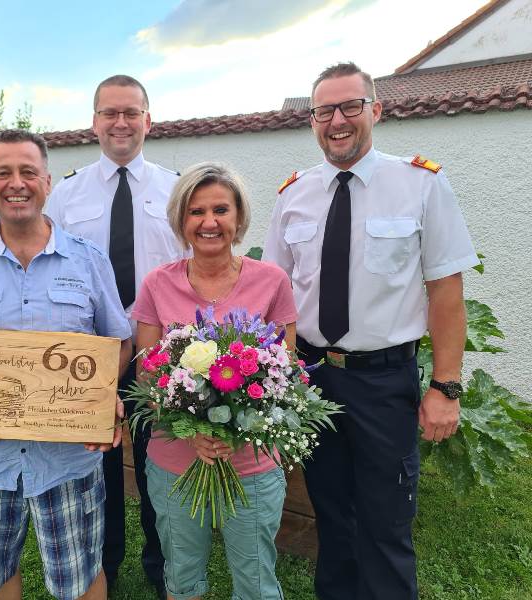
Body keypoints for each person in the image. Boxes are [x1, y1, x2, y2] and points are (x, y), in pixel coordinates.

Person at [264, 62, 479, 600]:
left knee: (386, 523)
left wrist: (446, 386)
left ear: (375, 110)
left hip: (383, 382)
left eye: (350, 107)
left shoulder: (420, 184)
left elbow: (446, 292)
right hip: (312, 379)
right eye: (324, 111)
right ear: (312, 120)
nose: (337, 120)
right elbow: (275, 296)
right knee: (331, 516)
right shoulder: (293, 194)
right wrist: (275, 382)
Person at [0, 129, 133, 600]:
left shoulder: (89, 260)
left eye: (28, 172)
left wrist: (102, 397)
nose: (17, 183)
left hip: (68, 459)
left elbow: (118, 341)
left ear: (47, 182)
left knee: (81, 575)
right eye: (3, 173)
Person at [46, 74, 188, 597]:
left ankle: (162, 564)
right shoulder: (66, 194)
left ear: (149, 120)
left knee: (161, 464)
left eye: (131, 112)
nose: (121, 122)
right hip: (89, 354)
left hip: (161, 354)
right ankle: (102, 566)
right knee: (95, 466)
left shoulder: (178, 190)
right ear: (94, 122)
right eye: (110, 113)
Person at [133, 162, 297, 600]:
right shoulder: (156, 284)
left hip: (252, 466)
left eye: (221, 210)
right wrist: (194, 431)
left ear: (238, 218)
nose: (209, 222)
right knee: (182, 578)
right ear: (181, 220)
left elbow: (285, 372)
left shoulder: (272, 281)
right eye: (196, 211)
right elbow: (147, 378)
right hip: (175, 464)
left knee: (257, 582)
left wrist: (232, 429)